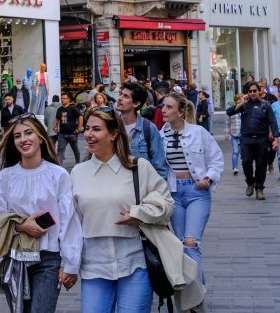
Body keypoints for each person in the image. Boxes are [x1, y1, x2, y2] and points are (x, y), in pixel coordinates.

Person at [70, 107, 174, 312]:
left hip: (134, 262)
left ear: (114, 134)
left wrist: (141, 215)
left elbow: (167, 203)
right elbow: (72, 222)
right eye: (87, 128)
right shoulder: (77, 173)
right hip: (93, 267)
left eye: (96, 129)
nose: (89, 134)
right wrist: (69, 263)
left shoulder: (138, 167)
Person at [0, 115, 80, 311]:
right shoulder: (6, 177)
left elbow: (69, 221)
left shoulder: (58, 175)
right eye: (17, 136)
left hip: (48, 259)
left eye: (28, 133)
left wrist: (70, 264)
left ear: (41, 137)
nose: (23, 139)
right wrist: (20, 225)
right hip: (16, 259)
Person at [159, 94, 222, 283]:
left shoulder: (198, 132)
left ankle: (197, 295)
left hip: (197, 192)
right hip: (173, 193)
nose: (164, 110)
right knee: (181, 245)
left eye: (169, 107)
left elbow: (216, 160)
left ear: (181, 112)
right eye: (163, 106)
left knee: (191, 242)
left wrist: (208, 179)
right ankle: (192, 294)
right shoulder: (161, 136)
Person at [226, 83, 280, 200]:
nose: (252, 93)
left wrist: (276, 139)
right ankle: (250, 182)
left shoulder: (265, 105)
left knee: (261, 164)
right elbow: (229, 112)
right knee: (246, 162)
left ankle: (259, 188)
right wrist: (242, 102)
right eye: (250, 91)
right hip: (246, 138)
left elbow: (273, 122)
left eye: (254, 91)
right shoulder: (244, 105)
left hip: (262, 138)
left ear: (258, 91)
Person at [115, 83, 169, 181]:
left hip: (141, 186)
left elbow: (160, 166)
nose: (120, 98)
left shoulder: (148, 128)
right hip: (115, 185)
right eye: (121, 94)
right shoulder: (111, 126)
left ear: (136, 103)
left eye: (126, 96)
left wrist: (157, 192)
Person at [55, 95, 83, 165]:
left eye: (64, 98)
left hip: (72, 134)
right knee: (60, 150)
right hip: (62, 134)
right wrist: (54, 127)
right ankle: (59, 166)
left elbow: (80, 116)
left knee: (75, 149)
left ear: (68, 99)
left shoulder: (72, 108)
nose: (62, 100)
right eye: (61, 98)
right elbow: (57, 119)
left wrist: (79, 128)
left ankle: (78, 163)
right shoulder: (59, 109)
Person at [226, 92, 243, 176]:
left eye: (241, 99)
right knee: (235, 151)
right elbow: (227, 122)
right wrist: (227, 133)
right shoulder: (232, 110)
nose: (239, 101)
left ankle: (245, 165)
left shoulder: (245, 109)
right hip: (234, 133)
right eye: (238, 100)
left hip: (243, 134)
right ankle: (235, 167)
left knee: (244, 152)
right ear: (235, 101)